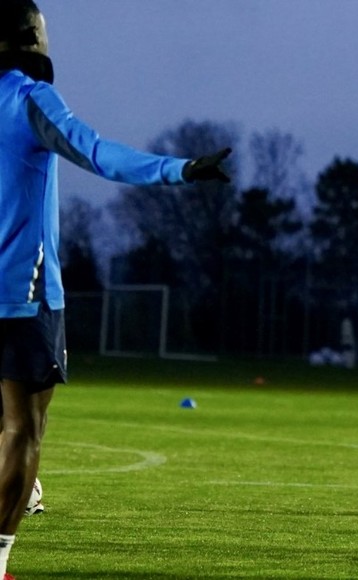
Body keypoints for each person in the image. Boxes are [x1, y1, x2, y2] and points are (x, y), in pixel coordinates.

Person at [0, 2, 231, 578]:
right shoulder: (28, 98)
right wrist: (179, 169)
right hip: (22, 295)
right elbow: (98, 152)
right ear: (26, 36)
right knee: (24, 426)